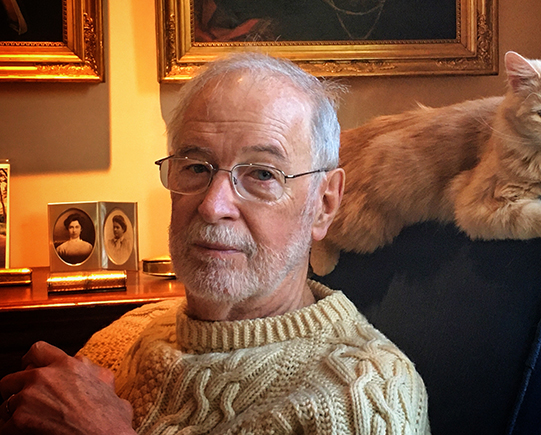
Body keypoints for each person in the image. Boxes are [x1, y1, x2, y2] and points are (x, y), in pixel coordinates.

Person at [0, 53, 430, 434]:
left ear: (324, 204)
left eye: (262, 174)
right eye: (195, 167)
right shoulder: (120, 338)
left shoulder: (367, 397)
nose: (212, 205)